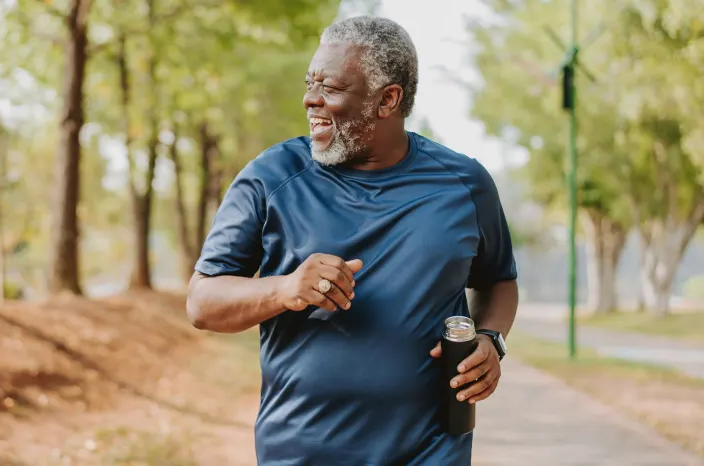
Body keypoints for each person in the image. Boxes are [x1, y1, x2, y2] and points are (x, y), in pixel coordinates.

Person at [186, 15, 518, 466]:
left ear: (388, 100)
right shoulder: (270, 178)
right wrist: (284, 288)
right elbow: (203, 303)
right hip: (302, 451)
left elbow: (499, 279)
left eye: (331, 88)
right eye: (310, 83)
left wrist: (490, 339)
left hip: (433, 449)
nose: (310, 99)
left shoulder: (464, 184)